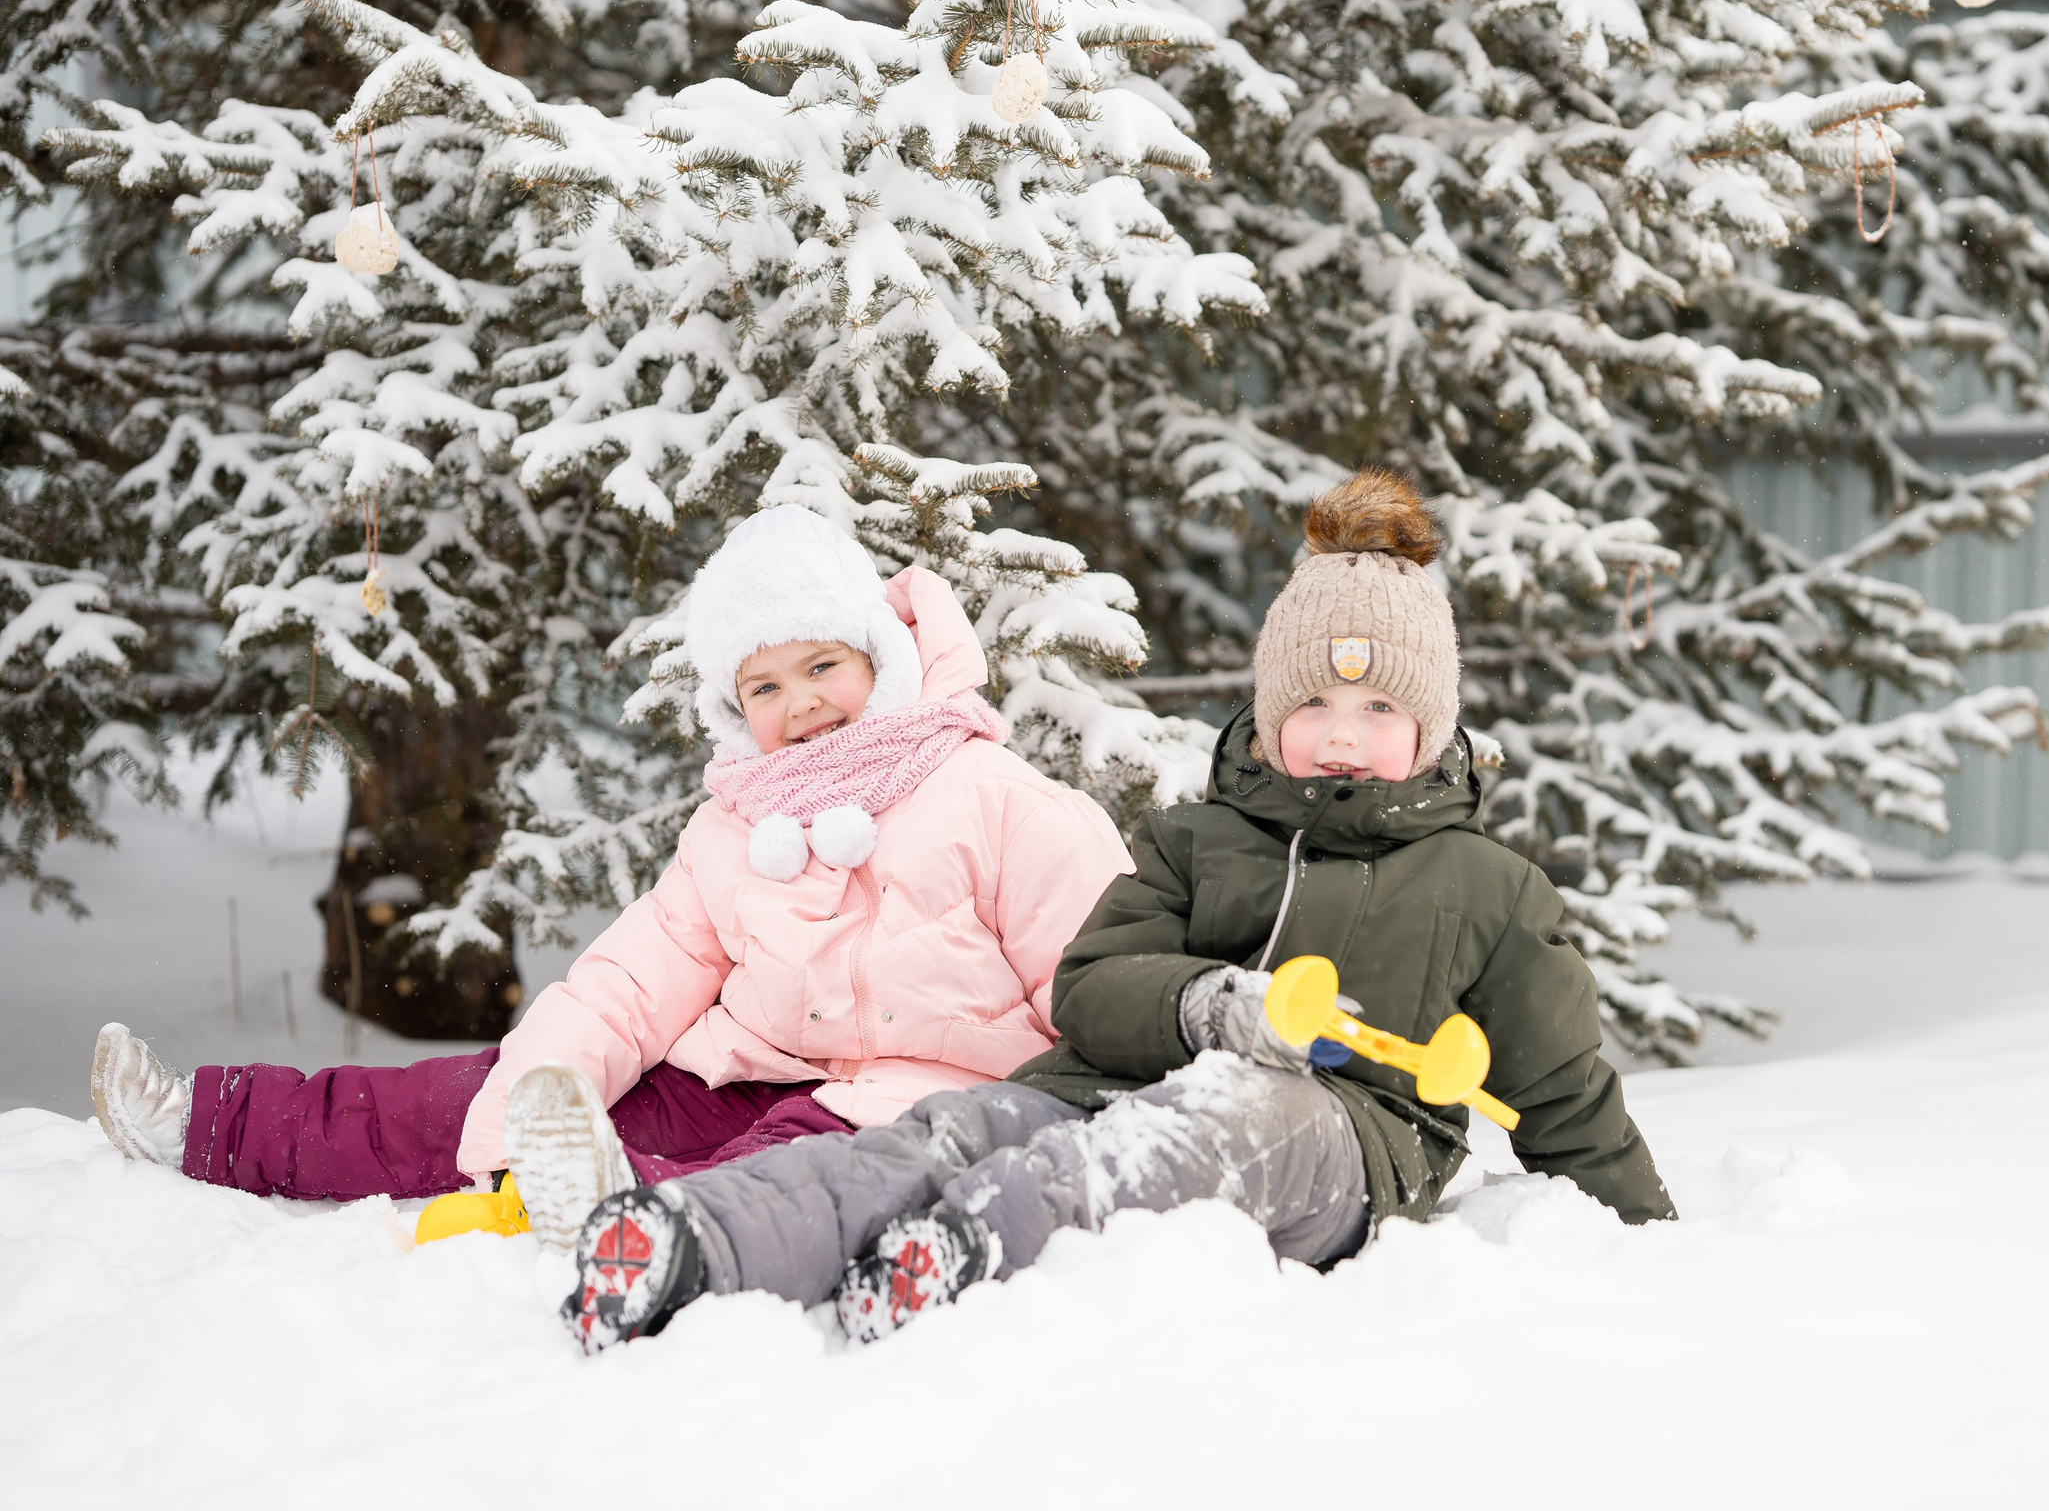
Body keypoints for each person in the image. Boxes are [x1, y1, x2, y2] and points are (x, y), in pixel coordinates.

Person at [557, 472, 1674, 1352]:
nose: (1341, 733)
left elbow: (1560, 1087)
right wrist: (1205, 1004)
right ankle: (703, 1240)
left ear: (1429, 727)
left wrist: (1646, 1236)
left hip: (1344, 1140)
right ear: (1269, 709)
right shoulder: (1198, 840)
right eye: (1314, 703)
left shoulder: (1484, 885)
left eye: (1378, 706)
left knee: (1231, 1118)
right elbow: (1089, 988)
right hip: (1114, 1087)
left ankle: (966, 1245)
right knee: (960, 1125)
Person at [87, 506, 1134, 1247]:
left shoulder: (991, 796)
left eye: (822, 666)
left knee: (773, 1176)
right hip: (746, 1070)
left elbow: (1104, 985)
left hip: (917, 1103)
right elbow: (629, 984)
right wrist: (528, 1107)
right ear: (734, 710)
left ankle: (612, 1213)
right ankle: (211, 1123)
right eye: (763, 684)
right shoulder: (733, 828)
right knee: (478, 1090)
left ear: (879, 661)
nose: (800, 702)